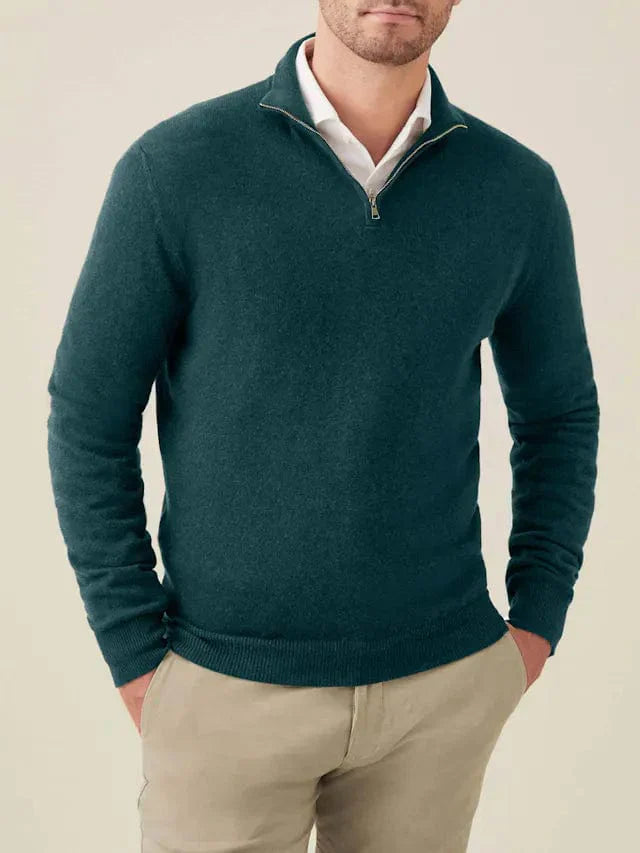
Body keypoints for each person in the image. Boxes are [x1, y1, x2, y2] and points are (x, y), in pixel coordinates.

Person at [46, 2, 600, 851]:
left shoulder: (515, 189)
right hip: (223, 685)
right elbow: (90, 418)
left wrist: (536, 621)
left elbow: (559, 414)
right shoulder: (178, 169)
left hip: (439, 692)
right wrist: (135, 654)